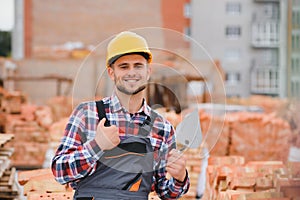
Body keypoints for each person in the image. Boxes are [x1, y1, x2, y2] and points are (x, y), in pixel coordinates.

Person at [51, 31, 190, 200]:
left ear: (148, 71)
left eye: (138, 66)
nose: (132, 72)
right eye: (124, 67)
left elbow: (165, 192)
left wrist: (180, 178)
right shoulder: (87, 114)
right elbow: (59, 172)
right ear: (111, 73)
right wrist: (97, 145)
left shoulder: (161, 127)